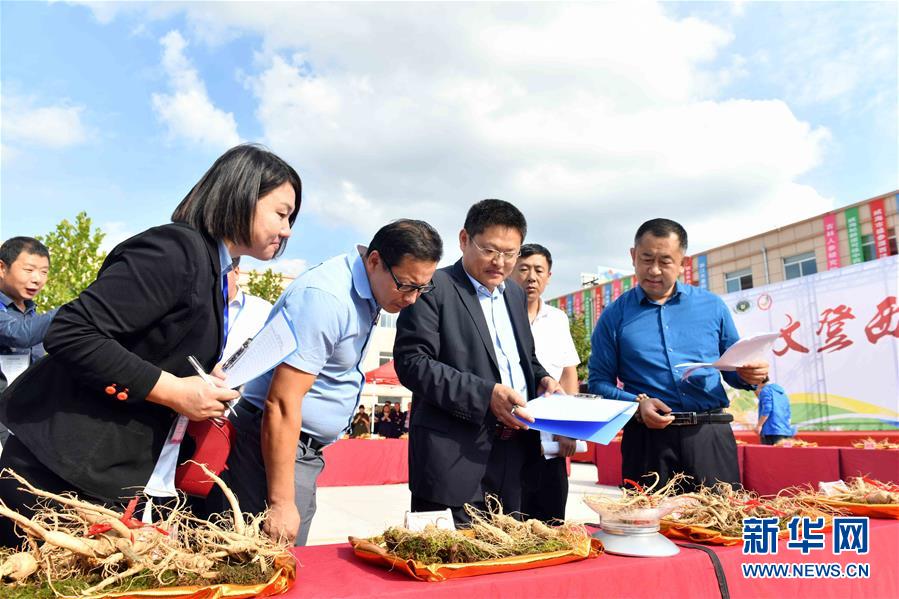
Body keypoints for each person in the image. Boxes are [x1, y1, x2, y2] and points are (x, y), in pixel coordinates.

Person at [0, 144, 302, 548]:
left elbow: (151, 349)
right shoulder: (176, 250)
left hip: (103, 471)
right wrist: (175, 390)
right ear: (242, 196)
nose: (287, 230)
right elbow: (72, 331)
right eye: (281, 213)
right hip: (56, 470)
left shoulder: (212, 270)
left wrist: (198, 382)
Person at [209, 219, 442, 546]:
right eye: (406, 286)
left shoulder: (368, 292)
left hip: (298, 449)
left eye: (422, 288)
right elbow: (282, 402)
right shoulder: (326, 298)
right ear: (375, 261)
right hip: (273, 447)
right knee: (267, 558)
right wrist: (281, 502)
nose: (413, 298)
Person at [394, 199, 561, 525]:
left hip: (514, 457)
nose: (500, 262)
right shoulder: (433, 287)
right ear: (464, 239)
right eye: (490, 250)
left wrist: (541, 378)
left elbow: (524, 358)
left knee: (508, 549)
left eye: (510, 253)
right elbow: (412, 362)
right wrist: (485, 395)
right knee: (451, 553)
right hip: (452, 458)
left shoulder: (514, 294)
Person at [587, 218, 768, 492]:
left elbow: (734, 368)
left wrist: (750, 374)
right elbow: (599, 383)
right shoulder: (614, 315)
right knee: (649, 518)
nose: (654, 270)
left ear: (683, 262)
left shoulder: (712, 306)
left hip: (709, 434)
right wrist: (637, 404)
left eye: (665, 261)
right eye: (646, 259)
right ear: (633, 256)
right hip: (647, 441)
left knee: (719, 516)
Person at [511, 243, 580, 522]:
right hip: (509, 434)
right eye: (523, 269)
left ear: (548, 276)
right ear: (510, 271)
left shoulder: (557, 319)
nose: (531, 277)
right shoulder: (497, 316)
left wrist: (568, 428)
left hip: (549, 439)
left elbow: (568, 374)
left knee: (552, 521)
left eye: (539, 270)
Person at [0, 237, 59, 446]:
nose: (37, 279)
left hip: (25, 412)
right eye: (29, 270)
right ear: (2, 268)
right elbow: (20, 335)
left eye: (44, 272)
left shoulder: (32, 314)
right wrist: (73, 309)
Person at [221, 258, 275, 363]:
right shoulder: (195, 308)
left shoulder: (263, 310)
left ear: (236, 272)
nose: (216, 280)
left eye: (221, 273)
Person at [755, 378, 796, 445]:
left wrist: (759, 425)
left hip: (771, 430)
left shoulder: (765, 390)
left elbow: (767, 409)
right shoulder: (781, 392)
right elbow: (788, 410)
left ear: (759, 381)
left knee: (769, 451)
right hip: (785, 429)